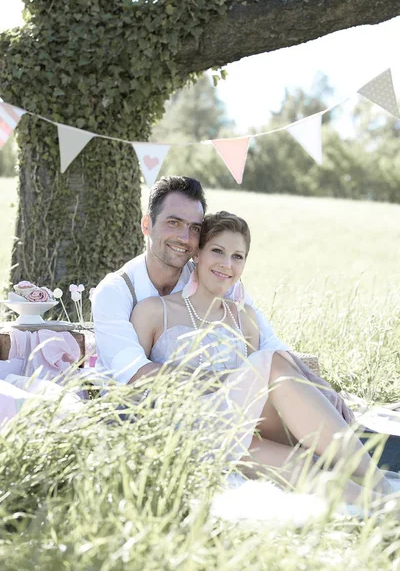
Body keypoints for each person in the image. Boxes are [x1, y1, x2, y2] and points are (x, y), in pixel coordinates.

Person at [130, 211, 394, 502]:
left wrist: (319, 385)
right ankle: (379, 488)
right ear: (198, 254)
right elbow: (132, 385)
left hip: (244, 429)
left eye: (237, 256)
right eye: (217, 251)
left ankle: (385, 502)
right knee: (273, 363)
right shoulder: (154, 311)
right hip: (190, 430)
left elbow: (261, 393)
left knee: (309, 465)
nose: (226, 264)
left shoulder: (246, 319)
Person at [92, 176, 353, 420]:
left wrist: (318, 385)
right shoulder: (115, 292)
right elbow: (135, 374)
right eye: (174, 223)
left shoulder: (208, 276)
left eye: (194, 228)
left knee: (300, 413)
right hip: (129, 416)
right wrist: (235, 383)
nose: (185, 238)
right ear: (147, 224)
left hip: (206, 411)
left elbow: (267, 341)